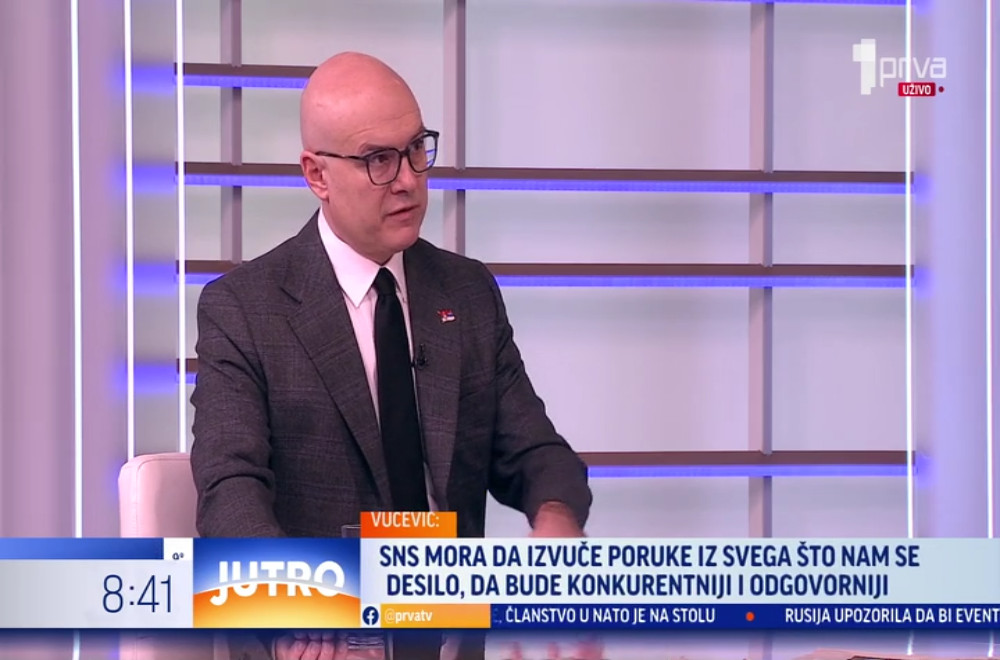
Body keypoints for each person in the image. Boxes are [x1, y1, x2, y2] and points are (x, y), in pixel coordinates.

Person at [189, 52, 593, 660]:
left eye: (415, 149)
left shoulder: (465, 292)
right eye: (378, 159)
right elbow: (230, 487)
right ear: (317, 175)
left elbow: (534, 451)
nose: (408, 179)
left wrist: (555, 518)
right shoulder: (246, 308)